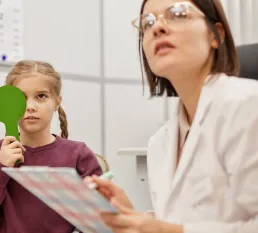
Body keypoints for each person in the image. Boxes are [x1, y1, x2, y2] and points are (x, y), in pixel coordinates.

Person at [84, 0, 258, 232]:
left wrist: (165, 231)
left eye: (177, 13)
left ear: (216, 34)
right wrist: (131, 216)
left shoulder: (248, 106)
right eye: (147, 22)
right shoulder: (160, 141)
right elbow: (185, 217)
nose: (158, 27)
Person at [0, 60, 103, 233]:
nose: (30, 107)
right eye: (21, 98)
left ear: (57, 102)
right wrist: (1, 168)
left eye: (41, 96)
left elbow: (100, 222)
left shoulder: (78, 154)